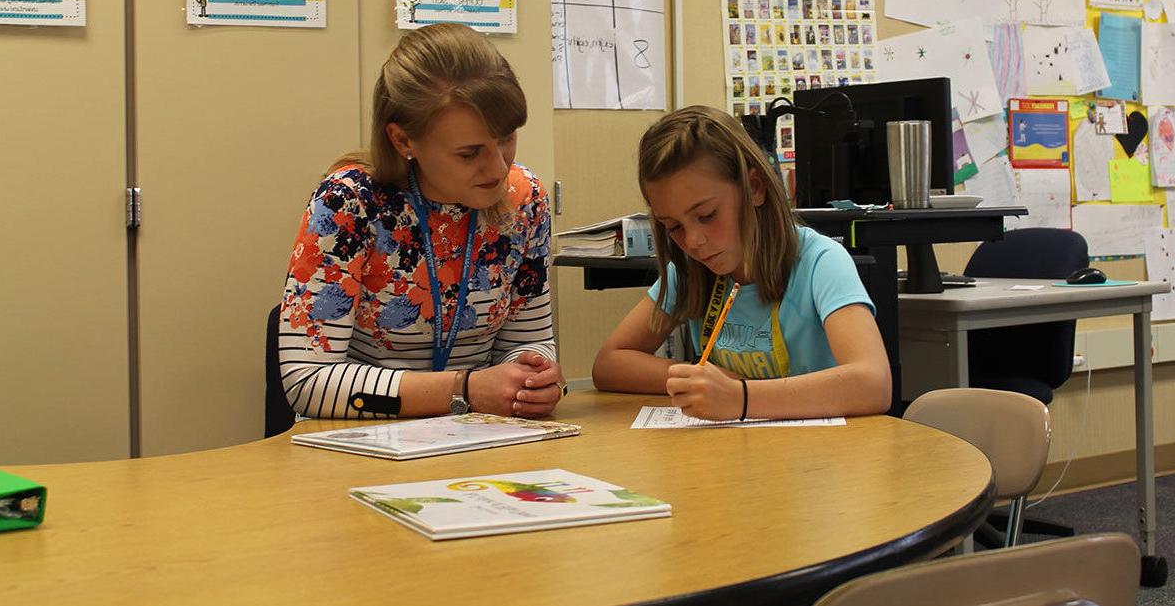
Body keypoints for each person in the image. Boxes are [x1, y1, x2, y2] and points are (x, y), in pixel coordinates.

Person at [279, 23, 564, 420]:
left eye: (507, 138)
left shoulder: (524, 198)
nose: (498, 167)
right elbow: (307, 383)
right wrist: (464, 390)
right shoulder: (349, 202)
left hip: (482, 437)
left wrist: (531, 377)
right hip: (360, 442)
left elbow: (528, 340)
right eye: (469, 153)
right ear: (403, 141)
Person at [592, 106, 891, 420]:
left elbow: (874, 383)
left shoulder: (819, 262)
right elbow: (610, 362)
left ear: (755, 188)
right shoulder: (690, 272)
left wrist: (741, 398)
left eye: (707, 215)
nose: (693, 241)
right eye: (674, 226)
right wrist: (701, 380)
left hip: (821, 459)